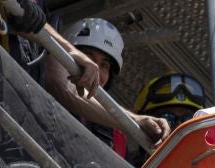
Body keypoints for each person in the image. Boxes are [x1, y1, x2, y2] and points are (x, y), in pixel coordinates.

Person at [65, 17, 169, 152]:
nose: (95, 68)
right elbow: (65, 88)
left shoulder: (115, 136)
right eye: (89, 57)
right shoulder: (48, 80)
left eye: (104, 65)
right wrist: (134, 120)